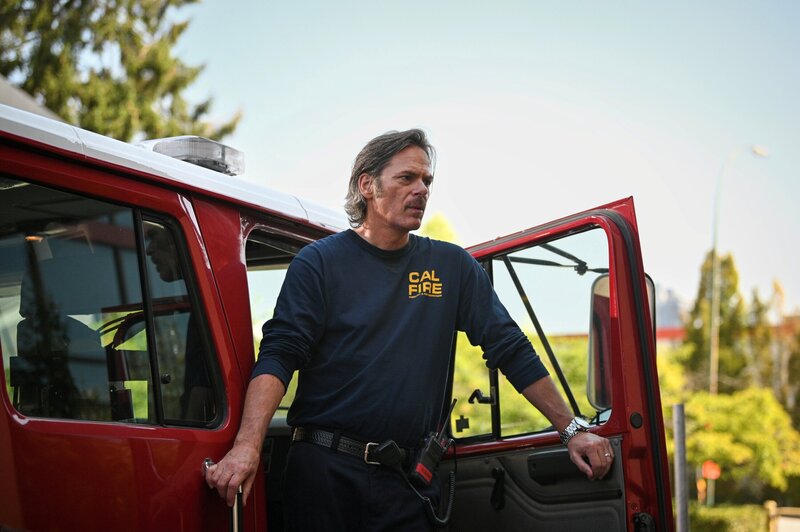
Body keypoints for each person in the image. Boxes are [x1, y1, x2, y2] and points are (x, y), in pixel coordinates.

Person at [205, 129, 615, 530]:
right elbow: (280, 354)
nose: (421, 189)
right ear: (367, 185)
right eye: (406, 178)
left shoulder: (452, 267)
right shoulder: (319, 264)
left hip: (409, 483)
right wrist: (246, 447)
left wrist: (572, 429)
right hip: (325, 474)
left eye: (427, 180)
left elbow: (509, 347)